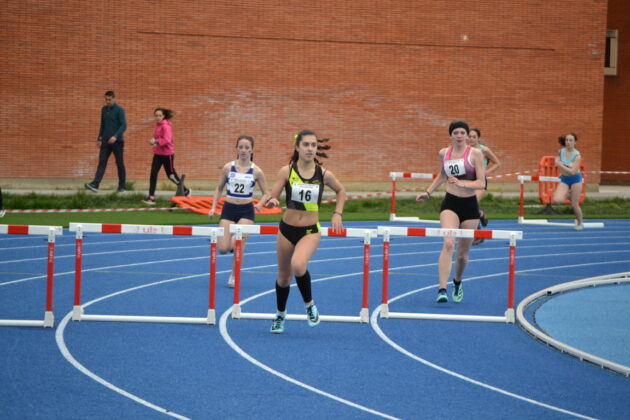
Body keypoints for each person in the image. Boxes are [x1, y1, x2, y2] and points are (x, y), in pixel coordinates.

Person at [260, 130, 346, 333]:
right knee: (283, 278)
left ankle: (309, 305)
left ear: (317, 148)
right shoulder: (286, 171)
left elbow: (341, 191)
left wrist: (337, 213)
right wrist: (271, 201)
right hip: (286, 229)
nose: (310, 149)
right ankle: (280, 314)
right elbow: (274, 196)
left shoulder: (324, 174)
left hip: (310, 230)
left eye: (313, 145)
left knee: (298, 265)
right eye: (306, 145)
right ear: (297, 147)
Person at [416, 120, 486, 303]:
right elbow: (442, 176)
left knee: (462, 255)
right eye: (456, 132)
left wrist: (464, 183)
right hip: (450, 203)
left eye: (463, 132)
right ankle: (442, 289)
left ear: (467, 135)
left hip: (470, 206)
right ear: (451, 135)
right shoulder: (444, 153)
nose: (460, 136)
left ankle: (457, 281)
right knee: (448, 243)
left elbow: (482, 183)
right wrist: (427, 192)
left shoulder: (476, 154)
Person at [208, 136, 270, 287]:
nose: (243, 150)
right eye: (240, 147)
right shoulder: (228, 167)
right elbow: (219, 188)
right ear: (236, 149)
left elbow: (267, 193)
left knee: (239, 245)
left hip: (246, 211)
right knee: (222, 248)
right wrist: (213, 207)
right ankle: (232, 243)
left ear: (251, 150)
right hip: (229, 209)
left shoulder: (257, 171)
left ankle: (233, 276)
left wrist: (261, 203)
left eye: (246, 147)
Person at [142, 108, 190, 205]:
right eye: (156, 115)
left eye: (160, 115)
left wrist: (155, 141)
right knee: (153, 174)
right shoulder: (157, 125)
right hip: (157, 154)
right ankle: (151, 198)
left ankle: (185, 190)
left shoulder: (166, 126)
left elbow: (167, 140)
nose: (158, 117)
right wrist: (154, 143)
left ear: (163, 116)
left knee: (171, 176)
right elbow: (158, 138)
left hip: (167, 155)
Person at [85, 91, 127, 193]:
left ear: (114, 99)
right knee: (102, 161)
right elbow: (102, 125)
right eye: (106, 99)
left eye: (109, 99)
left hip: (117, 142)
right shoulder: (104, 109)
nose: (107, 101)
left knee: (119, 163)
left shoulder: (120, 110)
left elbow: (124, 125)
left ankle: (121, 186)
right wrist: (99, 138)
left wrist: (115, 136)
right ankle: (95, 184)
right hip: (105, 141)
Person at [467, 128, 501, 245]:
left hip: (480, 182)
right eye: (469, 136)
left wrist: (485, 172)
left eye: (474, 137)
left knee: (472, 202)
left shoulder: (484, 150)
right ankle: (480, 213)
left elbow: (497, 163)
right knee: (469, 205)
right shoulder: (465, 150)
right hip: (468, 182)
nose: (471, 139)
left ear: (478, 138)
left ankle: (478, 235)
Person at [553, 133, 584, 230]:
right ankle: (570, 195)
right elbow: (558, 161)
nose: (568, 142)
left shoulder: (577, 156)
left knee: (574, 205)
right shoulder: (560, 151)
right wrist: (557, 163)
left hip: (575, 179)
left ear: (575, 142)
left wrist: (560, 164)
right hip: (564, 179)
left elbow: (572, 171)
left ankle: (580, 223)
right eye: (567, 140)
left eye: (571, 140)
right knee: (557, 200)